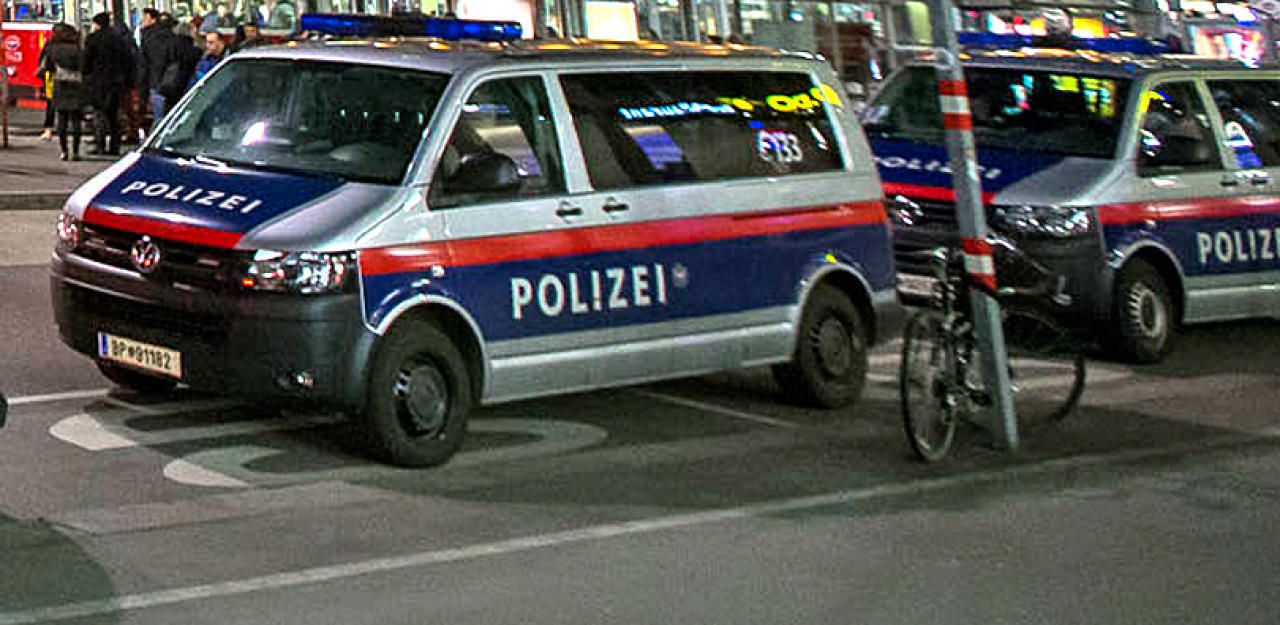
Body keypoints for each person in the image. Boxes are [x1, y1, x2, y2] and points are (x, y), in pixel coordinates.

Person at [83, 12, 135, 156]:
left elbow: (86, 62)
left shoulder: (93, 39)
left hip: (98, 81)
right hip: (117, 81)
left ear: (97, 24)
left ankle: (100, 144)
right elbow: (128, 60)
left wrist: (86, 75)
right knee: (114, 115)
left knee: (99, 114)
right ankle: (114, 146)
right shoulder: (119, 39)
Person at [40, 24, 86, 161]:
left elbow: (47, 67)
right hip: (76, 84)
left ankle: (64, 151)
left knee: (62, 119)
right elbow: (84, 66)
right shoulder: (77, 48)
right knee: (76, 120)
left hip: (59, 84)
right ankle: (76, 151)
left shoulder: (52, 48)